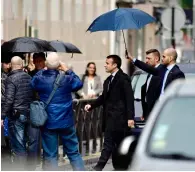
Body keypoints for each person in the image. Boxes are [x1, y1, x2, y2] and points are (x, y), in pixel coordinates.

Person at [31, 52, 85, 171]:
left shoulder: (40, 79)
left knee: (50, 155)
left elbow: (32, 83)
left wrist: (42, 70)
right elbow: (79, 83)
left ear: (46, 63)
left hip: (49, 122)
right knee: (73, 152)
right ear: (58, 64)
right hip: (66, 121)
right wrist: (67, 70)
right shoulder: (67, 78)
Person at [84, 55, 135, 171]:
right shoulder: (108, 80)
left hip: (120, 118)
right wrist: (91, 106)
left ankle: (99, 168)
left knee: (112, 144)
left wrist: (130, 117)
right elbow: (103, 98)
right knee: (114, 145)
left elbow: (129, 98)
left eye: (107, 63)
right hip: (109, 118)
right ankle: (119, 168)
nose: (105, 65)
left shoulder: (123, 78)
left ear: (115, 65)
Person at [1, 56, 33, 170]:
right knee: (24, 143)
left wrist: (2, 116)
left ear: (11, 64)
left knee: (19, 147)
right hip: (28, 114)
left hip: (16, 116)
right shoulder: (29, 77)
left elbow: (8, 100)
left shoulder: (10, 79)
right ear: (21, 64)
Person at [139, 49, 162, 121]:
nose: (146, 61)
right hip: (148, 114)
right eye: (146, 58)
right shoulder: (150, 74)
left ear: (156, 59)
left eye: (149, 58)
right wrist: (144, 113)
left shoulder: (161, 72)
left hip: (156, 113)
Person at [1, 62, 11, 162]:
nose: (7, 65)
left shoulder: (9, 75)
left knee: (5, 132)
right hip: (4, 105)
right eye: (5, 63)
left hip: (5, 106)